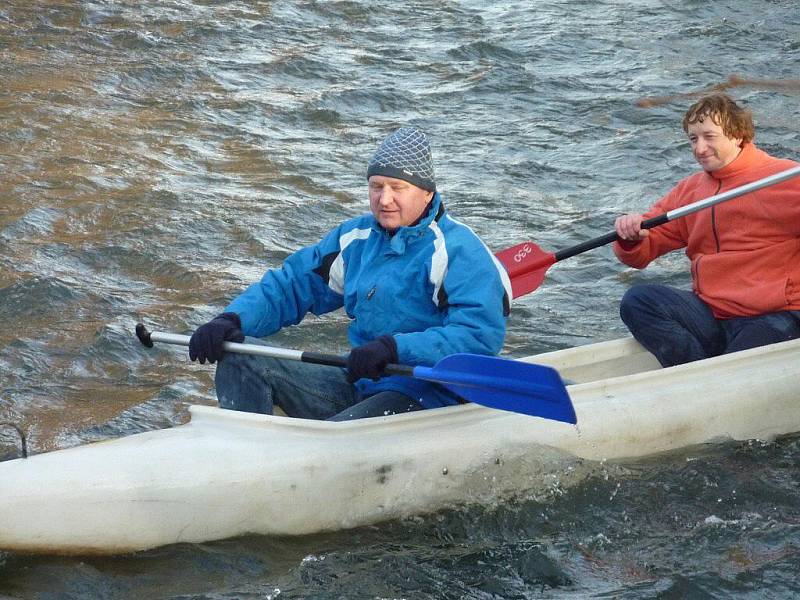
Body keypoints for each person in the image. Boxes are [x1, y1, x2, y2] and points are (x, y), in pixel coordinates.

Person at [188, 127, 512, 420]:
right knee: (241, 356)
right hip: (360, 379)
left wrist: (394, 348)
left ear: (426, 192)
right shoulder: (354, 240)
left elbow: (478, 338)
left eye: (397, 187)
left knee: (338, 434)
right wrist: (232, 320)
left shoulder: (458, 251)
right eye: (376, 186)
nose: (384, 199)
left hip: (425, 393)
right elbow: (293, 285)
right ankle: (247, 456)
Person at [613, 93, 800, 367]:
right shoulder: (690, 191)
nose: (700, 148)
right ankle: (698, 373)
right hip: (714, 313)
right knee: (638, 300)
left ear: (737, 135)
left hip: (777, 314)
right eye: (693, 139)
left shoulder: (785, 178)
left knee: (737, 363)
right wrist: (631, 237)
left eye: (709, 137)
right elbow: (642, 251)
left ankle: (713, 378)